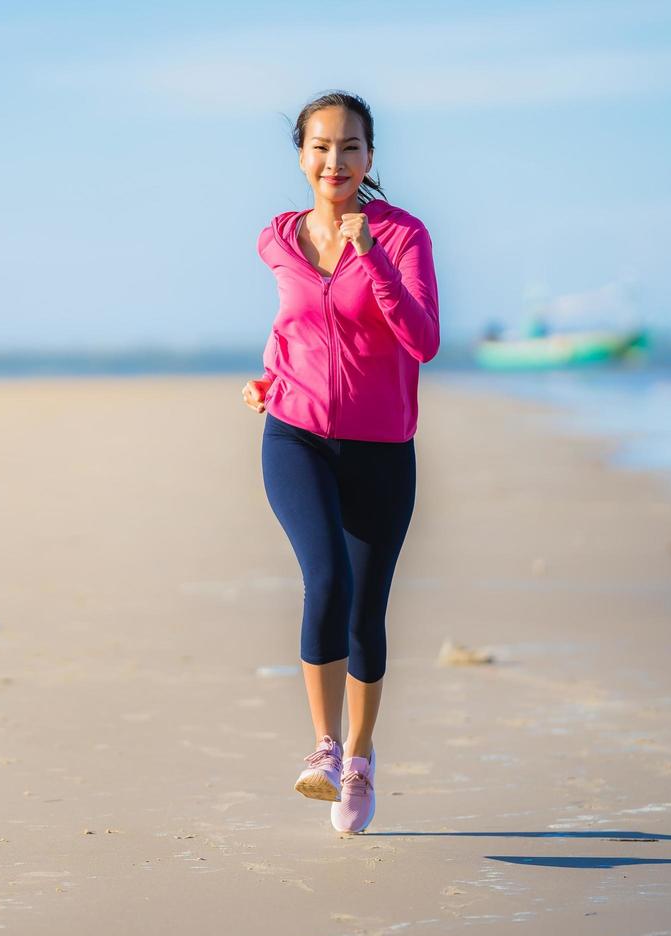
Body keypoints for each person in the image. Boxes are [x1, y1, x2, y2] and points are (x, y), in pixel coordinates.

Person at [241, 91, 440, 834]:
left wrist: (371, 257)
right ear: (301, 155)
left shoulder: (404, 235)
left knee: (366, 610)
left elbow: (423, 340)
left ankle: (360, 758)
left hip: (382, 448)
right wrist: (271, 374)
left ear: (370, 158)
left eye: (350, 147)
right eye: (322, 146)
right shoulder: (277, 237)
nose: (336, 160)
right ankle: (323, 748)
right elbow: (293, 316)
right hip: (295, 435)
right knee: (325, 577)